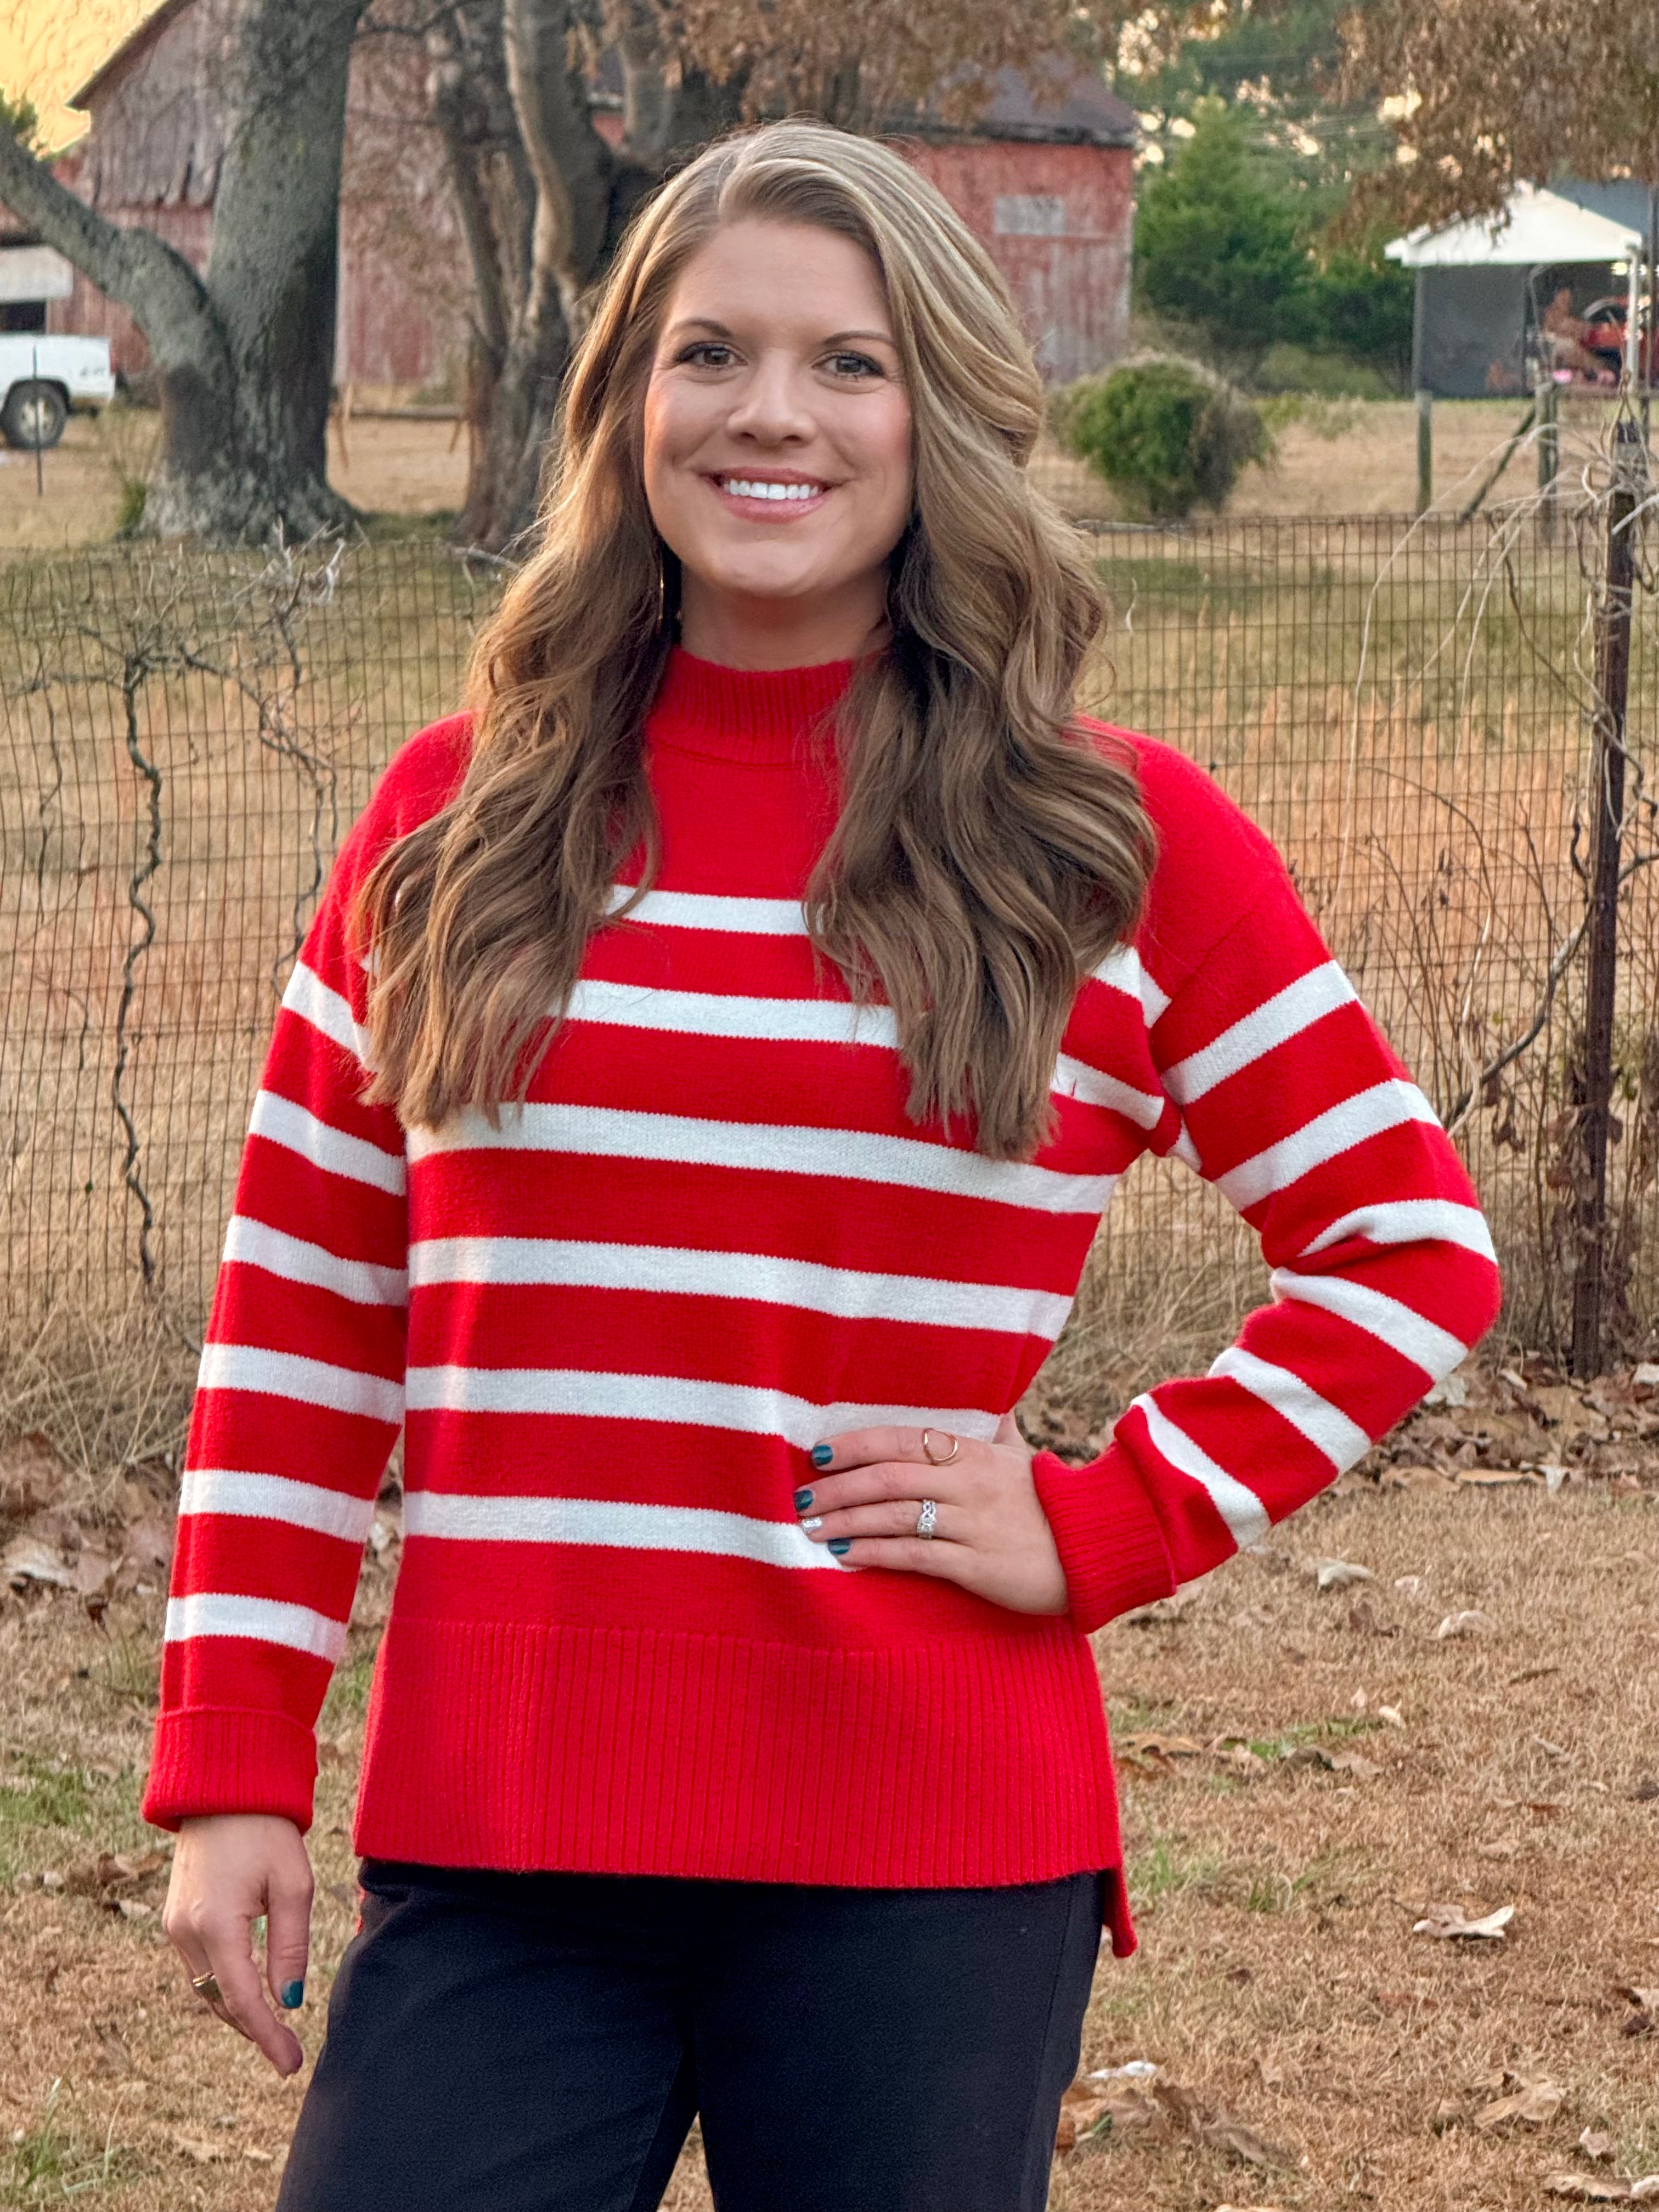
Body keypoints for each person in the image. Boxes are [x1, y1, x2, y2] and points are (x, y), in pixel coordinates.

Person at [147, 120, 1502, 2212]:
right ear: (625, 410)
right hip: (504, 1828)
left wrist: (1101, 1517)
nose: (771, 414)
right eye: (710, 355)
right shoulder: (458, 824)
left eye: (847, 364)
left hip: (925, 1848)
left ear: (936, 413)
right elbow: (303, 1322)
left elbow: (1409, 1247)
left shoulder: (1101, 846)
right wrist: (235, 1764)